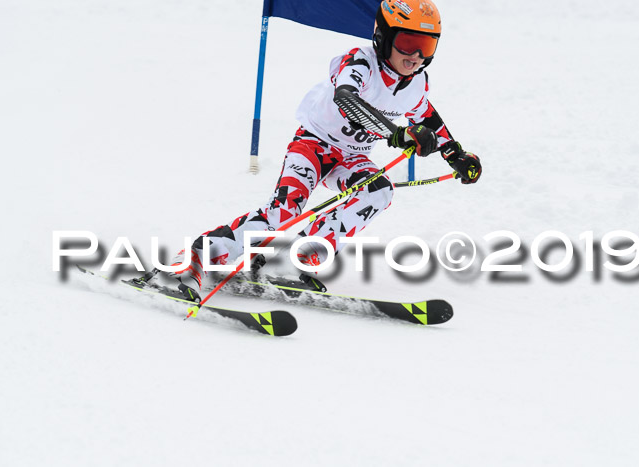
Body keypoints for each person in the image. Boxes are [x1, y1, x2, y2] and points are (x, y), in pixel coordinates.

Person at [169, 0, 482, 301]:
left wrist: (456, 155)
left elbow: (427, 116)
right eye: (407, 42)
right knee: (285, 210)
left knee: (378, 190)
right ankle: (191, 262)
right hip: (314, 145)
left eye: (426, 47)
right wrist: (396, 133)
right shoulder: (359, 62)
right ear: (383, 37)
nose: (414, 55)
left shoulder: (416, 82)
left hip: (352, 157)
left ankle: (295, 261)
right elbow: (346, 99)